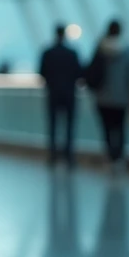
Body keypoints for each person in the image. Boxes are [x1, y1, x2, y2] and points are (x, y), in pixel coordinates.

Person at [89, 20, 129, 168]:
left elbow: (92, 71)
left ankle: (110, 156)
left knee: (106, 129)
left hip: (103, 98)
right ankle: (119, 157)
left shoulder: (100, 48)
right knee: (120, 129)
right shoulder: (127, 50)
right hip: (121, 98)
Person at [40, 25, 83, 167]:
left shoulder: (48, 53)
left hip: (53, 93)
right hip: (69, 94)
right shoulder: (72, 53)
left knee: (53, 125)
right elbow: (79, 72)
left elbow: (42, 72)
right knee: (69, 126)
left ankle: (52, 154)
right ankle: (68, 155)